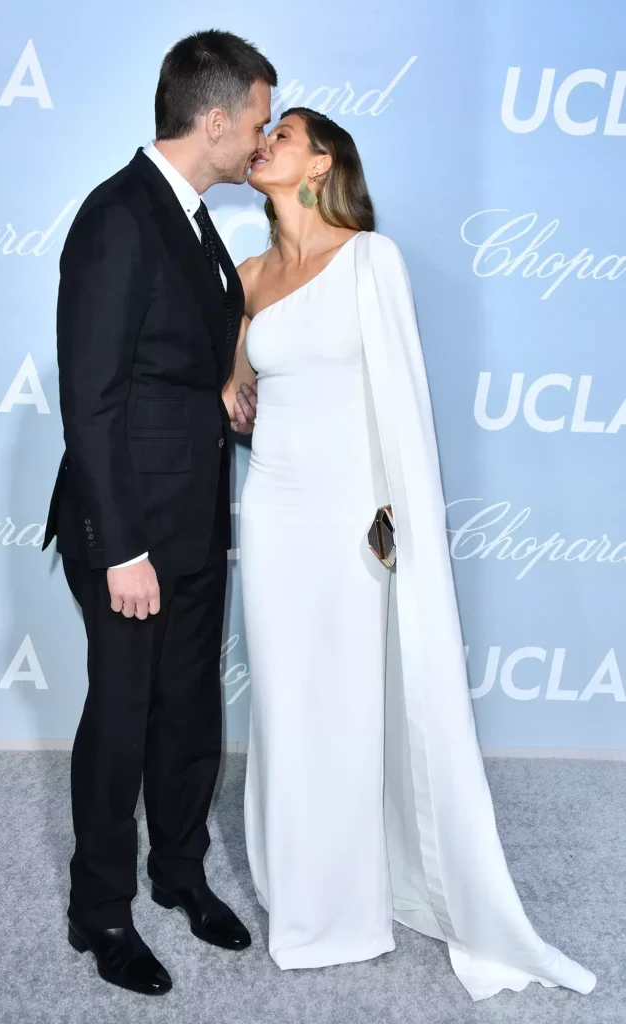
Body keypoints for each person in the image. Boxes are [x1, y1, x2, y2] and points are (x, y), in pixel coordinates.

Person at [223, 107, 597, 1001]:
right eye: (261, 130)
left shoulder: (368, 259)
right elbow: (234, 390)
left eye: (285, 133)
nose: (264, 140)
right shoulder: (243, 275)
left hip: (354, 516)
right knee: (284, 701)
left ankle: (349, 906)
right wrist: (229, 387)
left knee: (349, 702)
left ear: (320, 164)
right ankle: (300, 893)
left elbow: (404, 402)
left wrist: (399, 523)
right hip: (272, 510)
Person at [42, 31, 276, 996]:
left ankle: (177, 874)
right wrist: (123, 548)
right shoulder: (118, 216)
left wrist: (218, 397)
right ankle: (98, 909)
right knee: (123, 717)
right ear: (213, 119)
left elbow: (167, 362)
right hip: (128, 529)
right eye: (256, 123)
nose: (261, 142)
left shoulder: (191, 216)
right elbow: (90, 398)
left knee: (188, 710)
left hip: (192, 515)